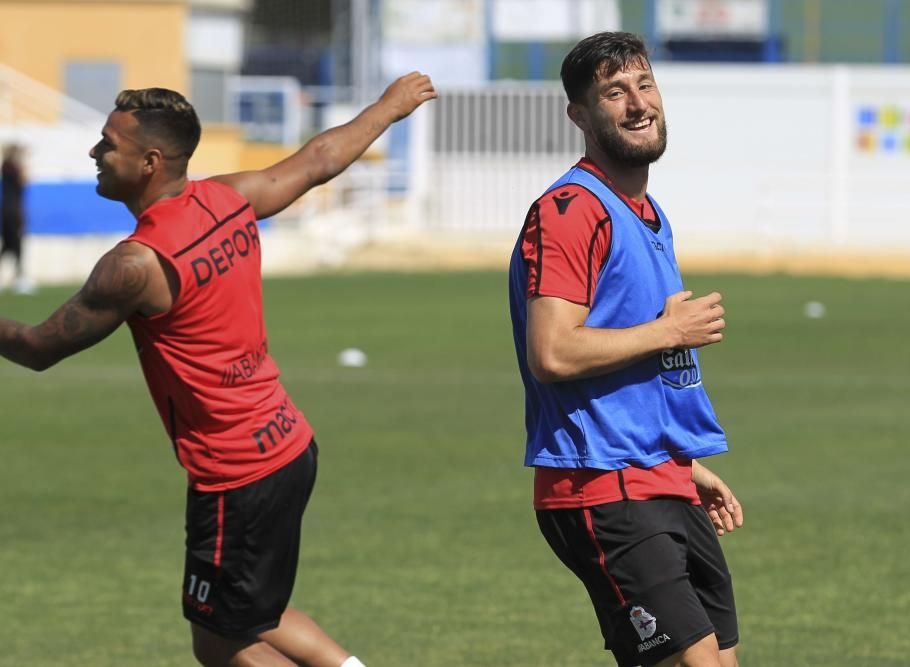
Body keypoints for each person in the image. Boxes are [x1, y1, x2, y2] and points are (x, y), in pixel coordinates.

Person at [0, 72, 436, 666]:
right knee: (258, 609)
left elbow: (36, 347)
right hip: (288, 445)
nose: (94, 153)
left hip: (236, 474)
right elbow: (317, 161)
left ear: (149, 161)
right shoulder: (228, 200)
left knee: (221, 641)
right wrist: (388, 107)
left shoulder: (133, 266)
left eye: (108, 143)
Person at [508, 32, 744, 667]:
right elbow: (553, 352)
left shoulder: (646, 210)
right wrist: (672, 331)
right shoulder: (571, 210)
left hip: (658, 476)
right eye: (614, 92)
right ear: (580, 116)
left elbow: (630, 364)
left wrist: (686, 466)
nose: (639, 103)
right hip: (601, 488)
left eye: (646, 84)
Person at [1, 143, 33, 293]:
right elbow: (24, 180)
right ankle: (20, 278)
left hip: (8, 211)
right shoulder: (12, 167)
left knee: (8, 246)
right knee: (16, 245)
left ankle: (19, 277)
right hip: (13, 212)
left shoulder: (6, 166)